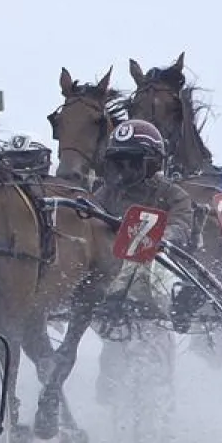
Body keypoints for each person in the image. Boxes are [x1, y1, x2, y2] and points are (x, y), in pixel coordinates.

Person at [89, 121, 194, 410]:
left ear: (152, 163)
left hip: (156, 274)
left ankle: (177, 300)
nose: (124, 169)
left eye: (132, 161)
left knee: (154, 264)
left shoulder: (173, 194)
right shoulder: (105, 194)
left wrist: (162, 238)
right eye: (118, 161)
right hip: (113, 274)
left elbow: (181, 225)